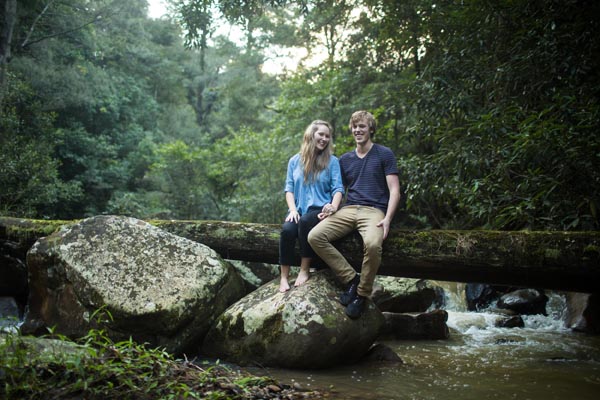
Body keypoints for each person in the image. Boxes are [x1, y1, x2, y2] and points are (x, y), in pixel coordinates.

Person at [308, 110, 401, 318]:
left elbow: (395, 190)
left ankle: (361, 294)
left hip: (374, 211)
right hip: (348, 209)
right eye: (355, 127)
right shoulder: (345, 159)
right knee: (315, 236)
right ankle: (351, 280)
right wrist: (331, 207)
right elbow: (337, 189)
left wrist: (388, 219)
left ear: (371, 129)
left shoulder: (384, 154)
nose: (358, 130)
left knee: (373, 245)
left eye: (362, 126)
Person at [279, 120, 344, 292]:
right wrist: (292, 209)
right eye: (321, 134)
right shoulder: (294, 161)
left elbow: (338, 189)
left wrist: (333, 206)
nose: (324, 139)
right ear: (311, 135)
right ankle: (283, 277)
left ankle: (304, 270)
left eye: (327, 136)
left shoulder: (333, 162)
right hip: (298, 210)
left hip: (321, 212)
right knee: (287, 230)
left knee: (306, 222)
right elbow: (289, 189)